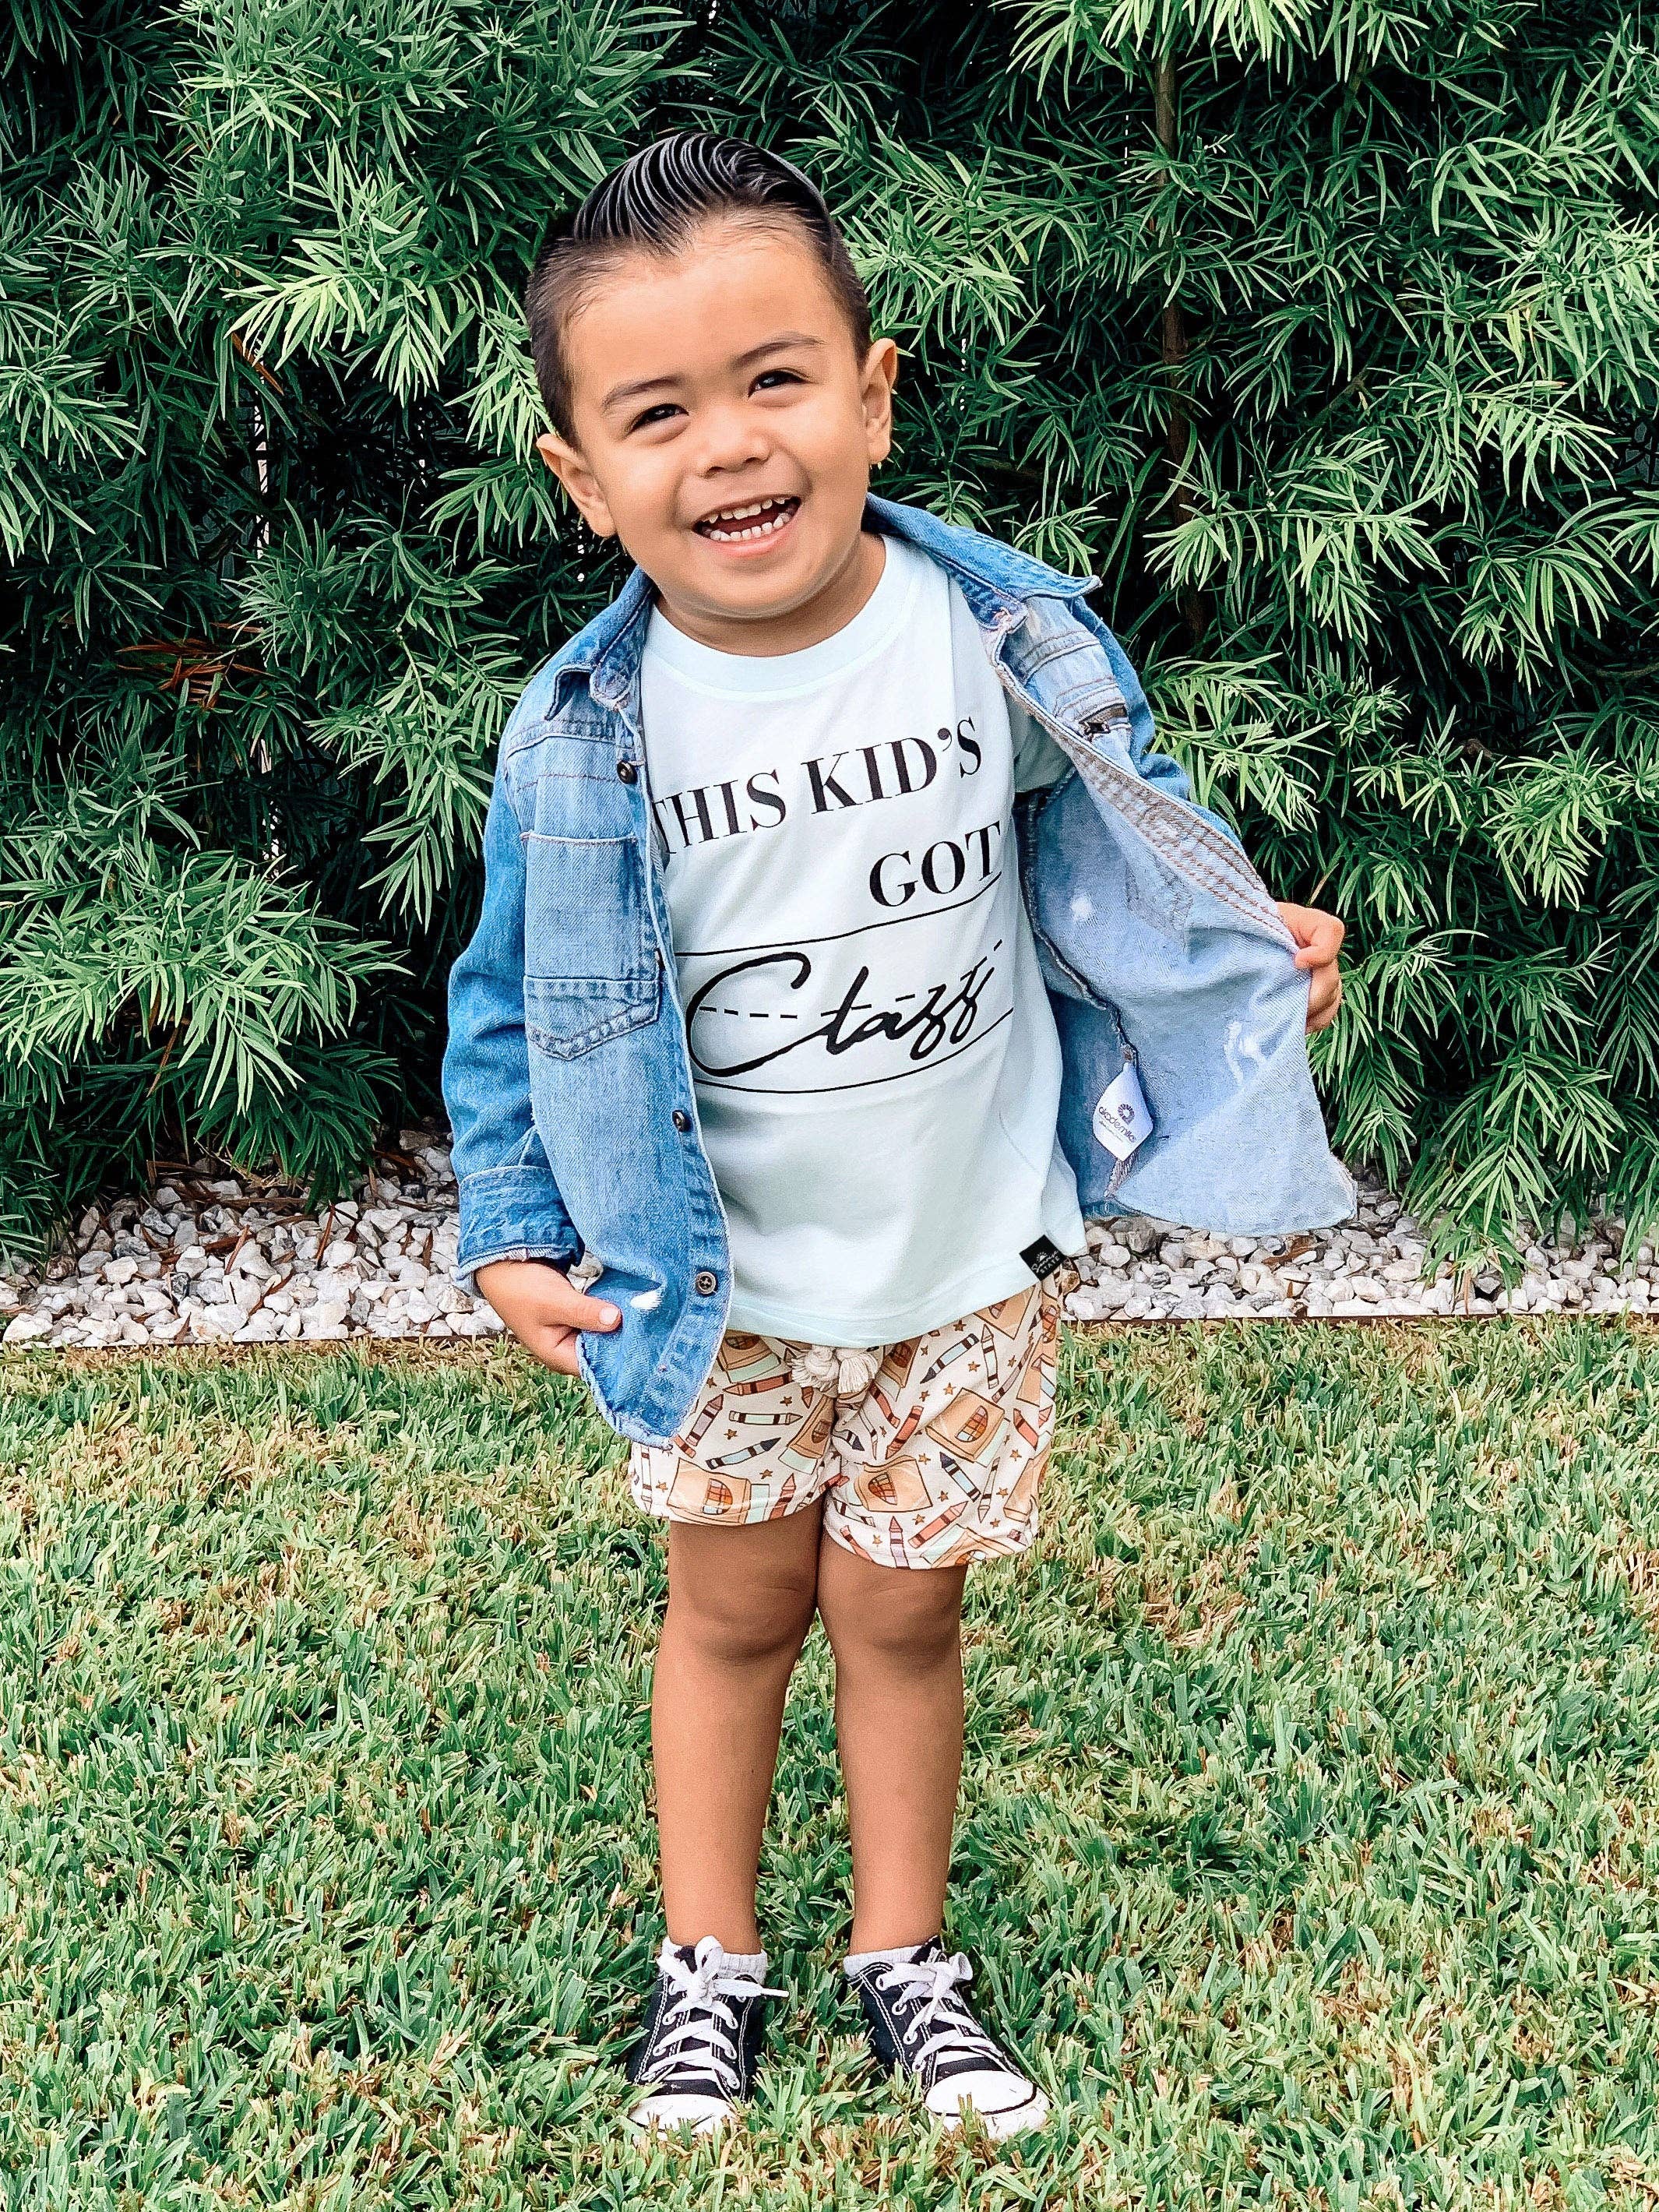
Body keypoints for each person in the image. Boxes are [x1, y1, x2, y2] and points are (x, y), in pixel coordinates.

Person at [442, 130, 1350, 2142]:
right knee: (733, 1611)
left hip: (964, 1257)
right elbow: (509, 995)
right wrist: (506, 1223)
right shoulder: (588, 734)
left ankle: (902, 1957)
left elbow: (1117, 851)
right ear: (583, 478)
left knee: (900, 1611)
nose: (729, 445)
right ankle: (708, 1966)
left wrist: (1231, 952)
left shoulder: (991, 640)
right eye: (656, 413)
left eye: (775, 378)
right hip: (723, 1288)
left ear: (871, 394)